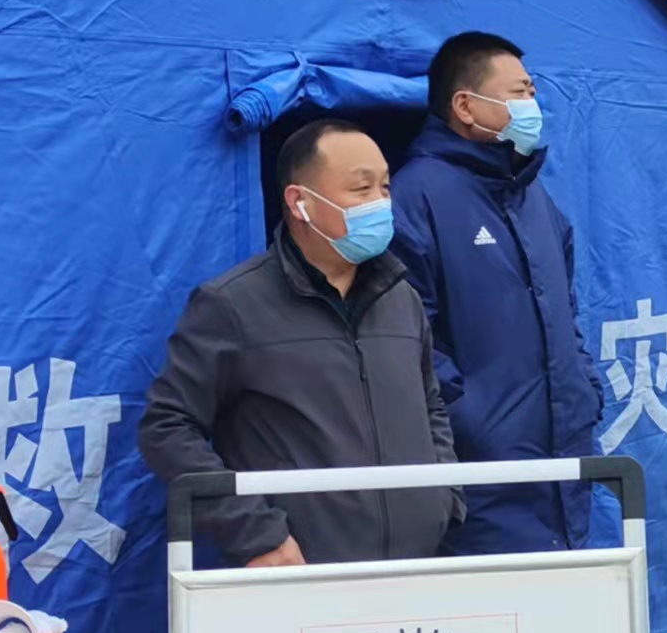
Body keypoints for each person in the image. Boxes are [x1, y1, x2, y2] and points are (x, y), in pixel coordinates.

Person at [139, 118, 458, 565]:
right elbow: (168, 427)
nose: (381, 203)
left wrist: (444, 499)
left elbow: (430, 405)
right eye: (361, 189)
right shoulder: (232, 305)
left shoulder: (401, 298)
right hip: (299, 574)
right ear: (300, 202)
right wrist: (254, 533)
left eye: (385, 187)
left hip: (417, 566)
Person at [391, 31, 603, 556]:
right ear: (465, 106)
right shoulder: (416, 197)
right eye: (519, 93)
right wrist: (472, 423)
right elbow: (406, 339)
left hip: (563, 466)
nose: (533, 105)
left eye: (533, 92)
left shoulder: (532, 194)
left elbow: (565, 311)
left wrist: (584, 387)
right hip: (484, 476)